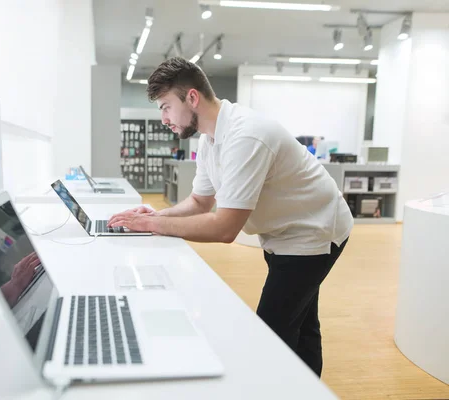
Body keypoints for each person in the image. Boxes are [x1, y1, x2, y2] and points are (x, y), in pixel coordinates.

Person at [108, 57, 353, 378]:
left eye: (166, 106)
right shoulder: (210, 140)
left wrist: (153, 224)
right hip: (282, 233)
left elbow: (225, 227)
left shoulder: (246, 135)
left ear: (192, 97)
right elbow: (199, 201)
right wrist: (156, 214)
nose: (164, 118)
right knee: (302, 322)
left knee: (272, 334)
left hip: (314, 233)